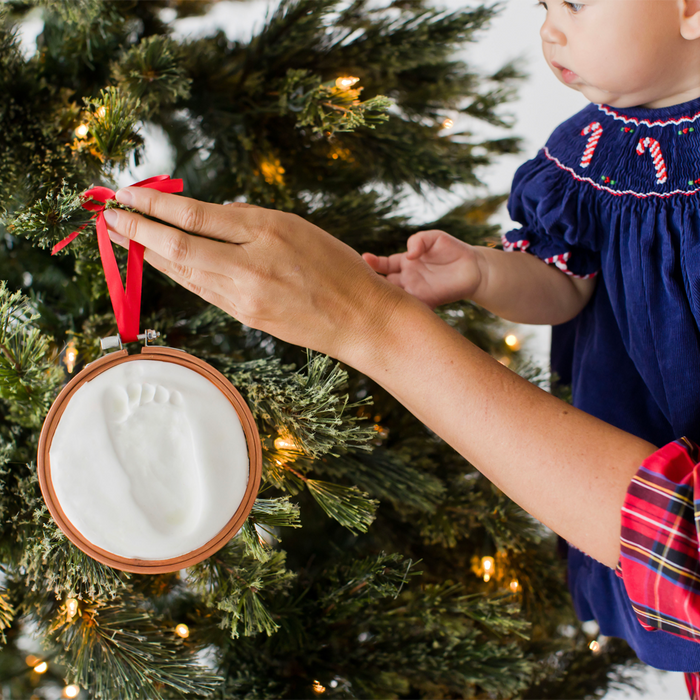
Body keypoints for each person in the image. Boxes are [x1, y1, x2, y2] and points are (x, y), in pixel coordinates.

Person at [102, 0, 700, 694]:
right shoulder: (587, 155)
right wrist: (480, 272)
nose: (550, 30)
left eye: (575, 4)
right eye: (542, 6)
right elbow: (565, 284)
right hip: (630, 450)